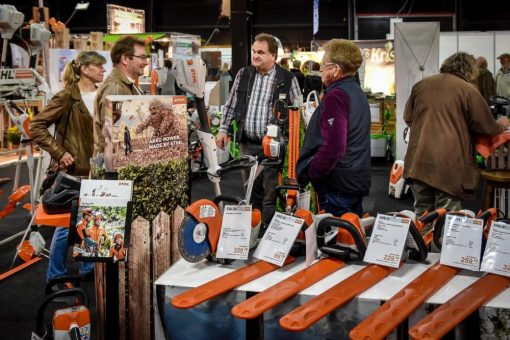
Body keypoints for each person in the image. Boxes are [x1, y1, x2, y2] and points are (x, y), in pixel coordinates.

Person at [30, 51, 107, 281]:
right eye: (99, 66)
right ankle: (55, 274)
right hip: (74, 171)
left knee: (92, 220)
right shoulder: (66, 97)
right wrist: (59, 152)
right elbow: (36, 126)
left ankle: (87, 269)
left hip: (98, 168)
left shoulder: (102, 95)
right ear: (85, 69)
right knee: (66, 226)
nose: (103, 70)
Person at [404, 52, 509, 215]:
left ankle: (423, 240)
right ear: (470, 70)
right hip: (448, 164)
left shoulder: (421, 85)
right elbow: (487, 128)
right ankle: (439, 241)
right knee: (447, 216)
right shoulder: (469, 91)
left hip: (417, 162)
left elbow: (408, 117)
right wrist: (503, 122)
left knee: (421, 214)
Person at [216, 33, 301, 229]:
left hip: (274, 147)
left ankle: (267, 234)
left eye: (261, 52)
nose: (255, 55)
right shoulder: (244, 75)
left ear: (273, 56)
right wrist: (223, 129)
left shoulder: (287, 79)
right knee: (250, 191)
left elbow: (298, 112)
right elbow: (230, 104)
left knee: (270, 193)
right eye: (254, 51)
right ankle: (251, 231)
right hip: (248, 145)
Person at [296, 39, 371, 217]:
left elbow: (335, 146)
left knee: (335, 238)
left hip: (337, 183)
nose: (320, 69)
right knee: (350, 236)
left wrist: (314, 172)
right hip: (354, 178)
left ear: (336, 69)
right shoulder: (356, 91)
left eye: (323, 64)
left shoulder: (336, 96)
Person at [94, 36, 148, 157]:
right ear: (125, 58)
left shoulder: (127, 85)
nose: (146, 62)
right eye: (142, 57)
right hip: (116, 169)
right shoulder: (115, 87)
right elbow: (113, 135)